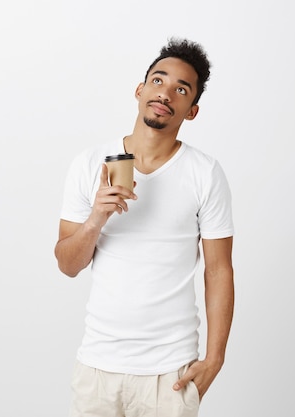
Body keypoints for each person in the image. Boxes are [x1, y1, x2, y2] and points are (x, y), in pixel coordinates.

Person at [54, 37, 234, 417]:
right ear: (139, 90)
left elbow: (219, 270)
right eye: (158, 80)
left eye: (180, 89)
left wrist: (214, 359)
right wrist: (96, 219)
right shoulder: (90, 164)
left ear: (192, 110)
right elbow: (68, 264)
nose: (166, 93)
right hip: (98, 369)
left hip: (170, 375)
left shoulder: (205, 173)